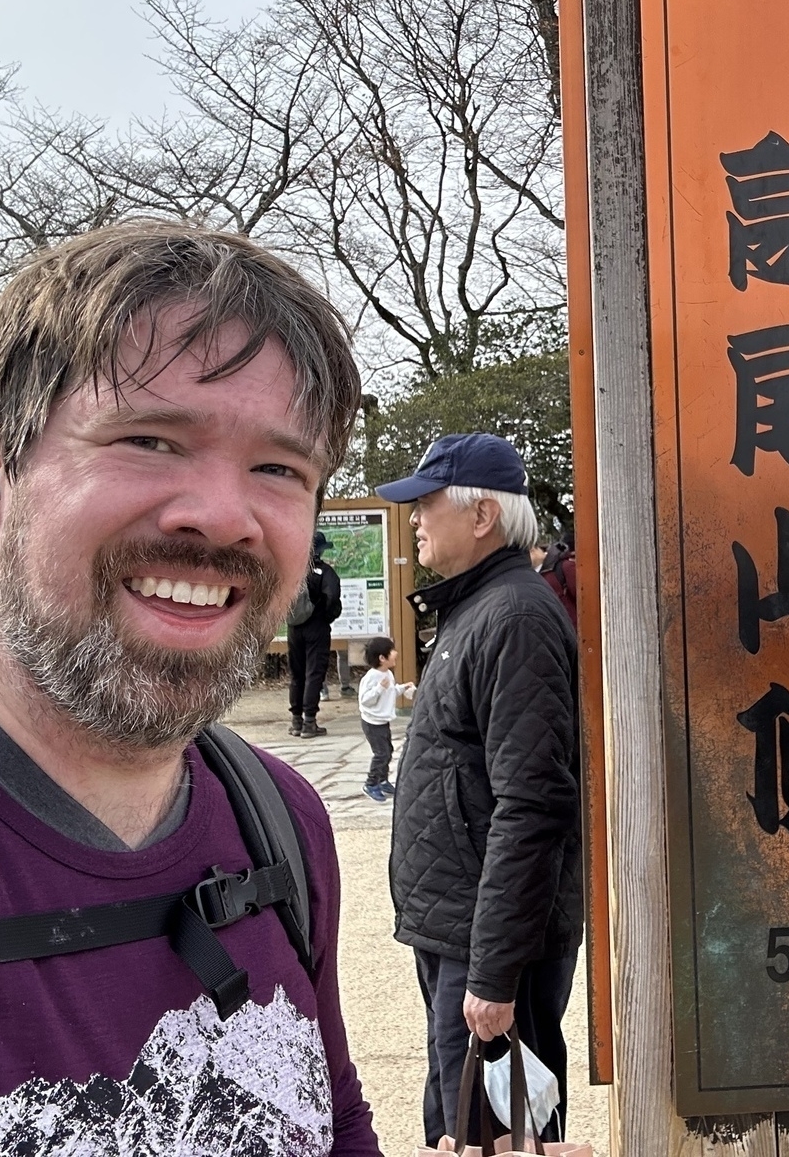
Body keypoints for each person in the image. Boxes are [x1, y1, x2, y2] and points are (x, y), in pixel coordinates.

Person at [0, 223, 379, 1151]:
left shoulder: (281, 823)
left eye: (279, 468)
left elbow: (338, 1123)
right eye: (149, 438)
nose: (223, 516)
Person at [376, 433, 582, 1148]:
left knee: (501, 1129)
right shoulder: (480, 608)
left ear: (483, 515)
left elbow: (532, 807)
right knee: (464, 1127)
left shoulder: (515, 619)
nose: (416, 520)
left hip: (489, 944)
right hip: (459, 924)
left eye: (427, 503)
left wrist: (493, 973)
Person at [288, 531, 343, 737]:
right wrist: (325, 617)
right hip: (317, 627)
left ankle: (296, 721)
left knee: (297, 674)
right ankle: (309, 722)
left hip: (294, 628)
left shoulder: (295, 571)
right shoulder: (326, 572)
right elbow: (332, 599)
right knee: (314, 673)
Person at [357, 634, 409, 802]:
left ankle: (382, 780)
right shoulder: (372, 677)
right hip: (372, 723)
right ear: (382, 657)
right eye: (392, 650)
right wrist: (378, 689)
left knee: (388, 751)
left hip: (382, 721)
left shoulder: (387, 674)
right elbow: (365, 700)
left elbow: (390, 691)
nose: (396, 653)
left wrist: (403, 688)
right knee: (381, 753)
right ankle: (371, 784)